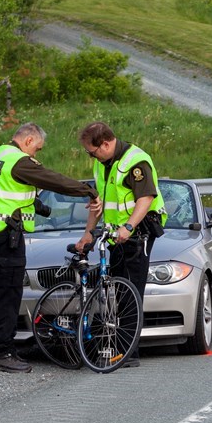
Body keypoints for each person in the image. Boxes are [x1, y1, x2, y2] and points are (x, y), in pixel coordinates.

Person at [0, 122, 100, 373]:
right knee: (9, 295)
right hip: (8, 238)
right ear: (28, 141)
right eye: (37, 149)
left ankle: (1, 348)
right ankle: (2, 354)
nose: (35, 154)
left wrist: (33, 205)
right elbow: (53, 180)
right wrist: (87, 190)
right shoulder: (18, 161)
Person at [76, 122, 165, 368]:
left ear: (105, 144)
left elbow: (145, 199)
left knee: (131, 290)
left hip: (138, 232)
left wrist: (128, 227)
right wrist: (88, 234)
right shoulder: (102, 163)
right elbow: (98, 202)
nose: (89, 156)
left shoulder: (135, 162)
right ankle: (111, 345)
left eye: (91, 151)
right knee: (115, 287)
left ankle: (128, 352)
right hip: (116, 235)